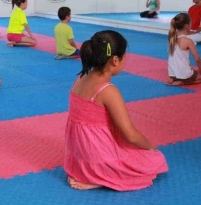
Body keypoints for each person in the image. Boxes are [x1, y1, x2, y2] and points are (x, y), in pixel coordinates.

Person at [64, 30, 168, 191]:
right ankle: (103, 177)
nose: (125, 60)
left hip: (78, 156)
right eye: (125, 57)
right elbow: (130, 134)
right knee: (156, 159)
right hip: (97, 156)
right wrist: (149, 146)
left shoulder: (80, 78)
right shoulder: (107, 90)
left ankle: (92, 174)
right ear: (115, 60)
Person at [167, 13, 201, 86]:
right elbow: (197, 59)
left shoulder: (171, 38)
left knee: (192, 70)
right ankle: (183, 82)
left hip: (172, 73)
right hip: (183, 73)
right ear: (187, 26)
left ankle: (173, 78)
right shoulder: (188, 41)